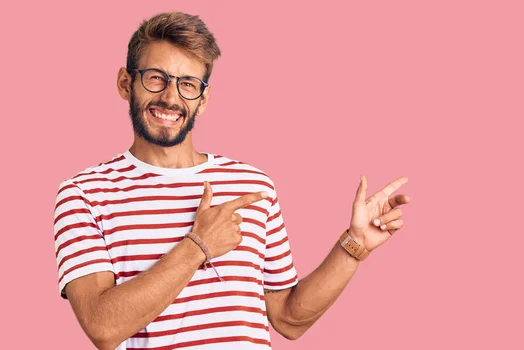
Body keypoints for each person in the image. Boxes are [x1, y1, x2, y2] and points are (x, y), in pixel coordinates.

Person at [53, 11, 409, 350]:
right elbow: (103, 328)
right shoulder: (84, 194)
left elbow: (287, 317)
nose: (171, 97)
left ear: (203, 99)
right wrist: (198, 246)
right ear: (125, 83)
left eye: (188, 84)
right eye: (156, 77)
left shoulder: (252, 186)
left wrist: (354, 246)